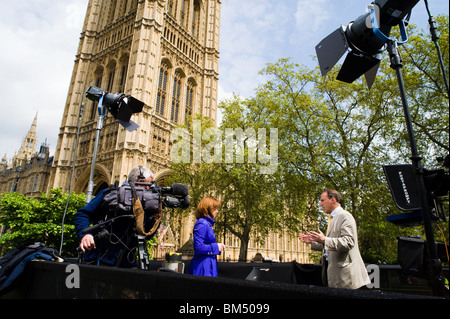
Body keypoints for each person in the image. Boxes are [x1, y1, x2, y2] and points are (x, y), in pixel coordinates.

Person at [74, 165, 159, 267]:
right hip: (100, 261)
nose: (150, 189)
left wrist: (155, 222)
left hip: (127, 264)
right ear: (140, 181)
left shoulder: (142, 205)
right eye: (149, 185)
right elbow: (82, 214)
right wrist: (85, 234)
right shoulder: (111, 195)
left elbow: (146, 235)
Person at [299, 189, 371, 289]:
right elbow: (332, 244)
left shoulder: (345, 216)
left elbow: (348, 242)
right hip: (333, 274)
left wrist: (324, 240)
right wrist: (314, 242)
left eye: (322, 200)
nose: (320, 204)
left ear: (332, 200)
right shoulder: (332, 218)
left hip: (345, 277)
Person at [188, 197, 225, 277]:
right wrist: (216, 247)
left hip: (208, 265)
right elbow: (198, 247)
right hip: (203, 267)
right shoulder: (202, 223)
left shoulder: (207, 224)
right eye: (215, 209)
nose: (217, 212)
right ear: (208, 209)